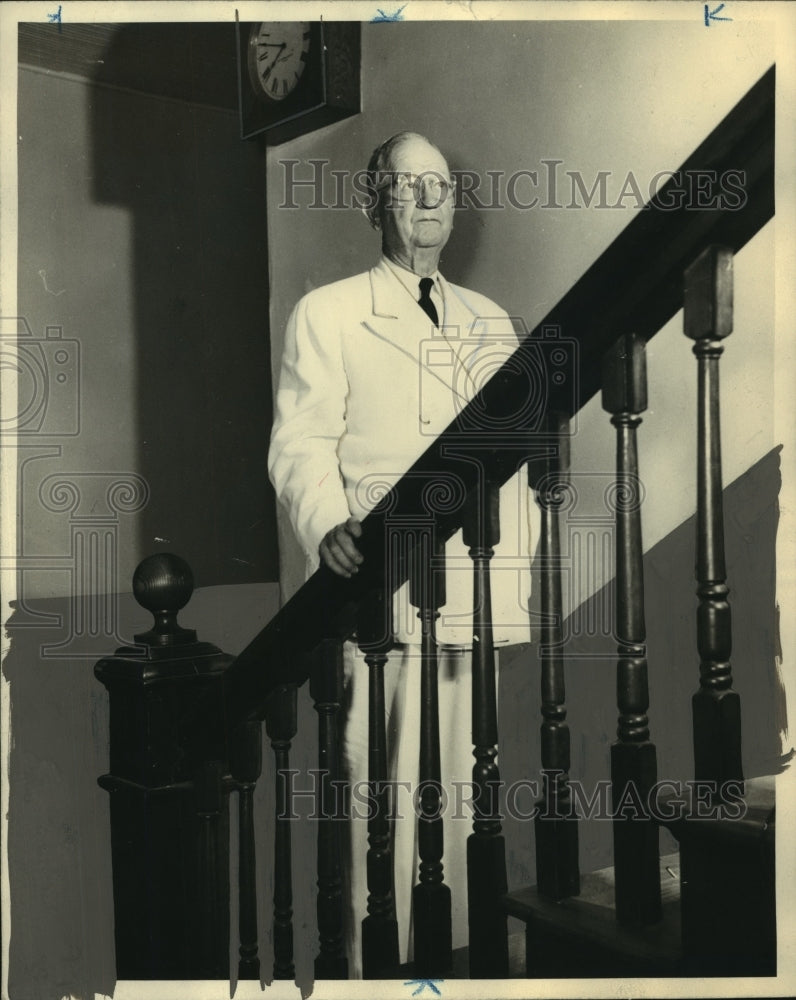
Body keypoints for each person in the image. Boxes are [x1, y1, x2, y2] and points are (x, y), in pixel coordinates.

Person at [268, 131, 535, 975]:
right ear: (372, 202)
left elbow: (516, 464)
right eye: (409, 185)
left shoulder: (492, 320)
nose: (429, 201)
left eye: (442, 186)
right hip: (377, 600)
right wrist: (325, 526)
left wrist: (517, 588)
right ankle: (367, 980)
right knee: (372, 818)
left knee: (462, 812)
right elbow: (301, 444)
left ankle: (450, 974)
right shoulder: (329, 311)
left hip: (469, 595)